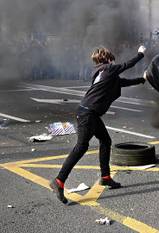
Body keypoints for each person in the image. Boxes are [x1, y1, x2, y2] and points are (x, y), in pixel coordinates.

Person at [50, 46, 147, 204]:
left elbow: (123, 82)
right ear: (108, 59)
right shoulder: (108, 69)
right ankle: (59, 181)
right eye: (112, 59)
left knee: (105, 141)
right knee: (81, 147)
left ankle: (106, 177)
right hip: (88, 114)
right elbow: (127, 65)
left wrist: (142, 80)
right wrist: (141, 53)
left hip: (90, 113)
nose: (114, 61)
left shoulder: (104, 73)